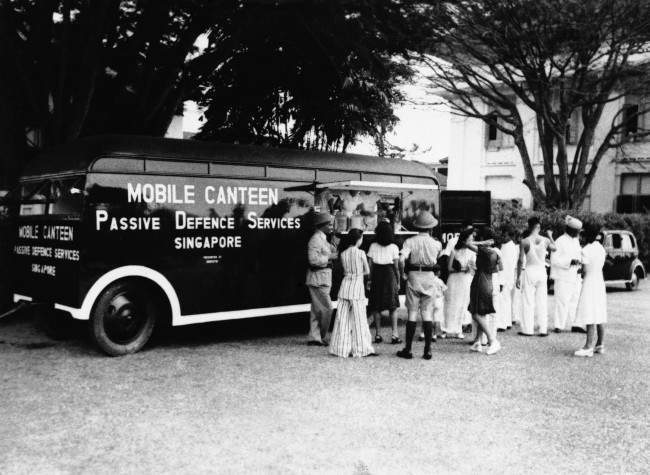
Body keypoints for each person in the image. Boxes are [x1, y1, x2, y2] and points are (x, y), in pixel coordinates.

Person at [396, 211, 441, 360]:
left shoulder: (410, 241)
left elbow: (401, 259)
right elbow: (437, 261)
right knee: (427, 313)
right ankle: (427, 350)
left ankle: (408, 349)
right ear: (430, 228)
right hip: (429, 277)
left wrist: (403, 273)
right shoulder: (436, 243)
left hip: (414, 276)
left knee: (412, 313)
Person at [329, 229, 376, 358]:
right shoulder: (361, 253)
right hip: (357, 288)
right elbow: (367, 271)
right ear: (358, 240)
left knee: (342, 319)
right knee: (359, 319)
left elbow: (344, 271)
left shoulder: (343, 254)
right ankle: (362, 349)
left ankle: (340, 348)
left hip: (344, 287)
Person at [516, 217, 557, 336]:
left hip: (529, 270)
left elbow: (520, 260)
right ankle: (543, 329)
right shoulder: (545, 240)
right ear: (538, 227)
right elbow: (555, 248)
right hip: (541, 271)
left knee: (528, 300)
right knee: (542, 300)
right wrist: (550, 236)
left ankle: (528, 329)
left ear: (529, 227)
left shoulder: (524, 241)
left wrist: (518, 276)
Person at [468, 228, 503, 355]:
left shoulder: (483, 250)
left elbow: (467, 244)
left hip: (483, 281)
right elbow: (500, 268)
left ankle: (492, 340)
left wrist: (481, 243)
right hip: (493, 280)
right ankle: (478, 341)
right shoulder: (496, 251)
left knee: (477, 312)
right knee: (482, 311)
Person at [574, 228, 607, 357]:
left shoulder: (586, 250)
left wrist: (579, 269)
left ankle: (588, 347)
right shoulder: (600, 248)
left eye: (582, 236)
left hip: (590, 282)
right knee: (599, 311)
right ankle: (600, 344)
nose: (581, 238)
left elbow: (585, 270)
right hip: (599, 280)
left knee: (589, 311)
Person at [367, 221, 401, 344]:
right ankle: (395, 334)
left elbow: (370, 265)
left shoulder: (373, 246)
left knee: (376, 307)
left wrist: (369, 280)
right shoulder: (394, 247)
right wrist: (398, 281)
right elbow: (397, 267)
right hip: (390, 274)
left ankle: (377, 334)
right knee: (393, 306)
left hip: (377, 274)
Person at [306, 212, 337, 346]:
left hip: (322, 278)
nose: (331, 226)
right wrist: (330, 257)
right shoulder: (315, 239)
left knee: (316, 309)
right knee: (327, 308)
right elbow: (313, 260)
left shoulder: (323, 239)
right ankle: (321, 335)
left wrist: (333, 246)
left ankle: (315, 337)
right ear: (322, 225)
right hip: (318, 278)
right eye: (329, 224)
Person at [551, 216, 583, 332]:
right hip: (563, 276)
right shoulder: (560, 241)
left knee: (575, 300)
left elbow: (579, 255)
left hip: (575, 276)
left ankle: (575, 324)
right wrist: (570, 262)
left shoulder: (576, 241)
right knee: (562, 301)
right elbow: (554, 260)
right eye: (577, 231)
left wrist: (581, 262)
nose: (578, 233)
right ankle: (559, 325)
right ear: (572, 230)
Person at [443, 228, 476, 339]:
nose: (472, 241)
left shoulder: (472, 252)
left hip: (465, 280)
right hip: (454, 279)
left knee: (463, 304)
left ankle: (458, 329)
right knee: (451, 303)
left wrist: (470, 268)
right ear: (464, 240)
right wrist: (462, 269)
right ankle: (446, 329)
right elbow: (449, 268)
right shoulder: (454, 250)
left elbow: (473, 268)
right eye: (470, 239)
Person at [498, 225, 519, 330]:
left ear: (510, 236)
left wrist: (501, 280)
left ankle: (502, 324)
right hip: (507, 278)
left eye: (504, 234)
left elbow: (506, 266)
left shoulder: (509, 247)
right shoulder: (507, 245)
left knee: (503, 300)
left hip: (505, 278)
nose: (502, 236)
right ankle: (506, 322)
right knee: (506, 300)